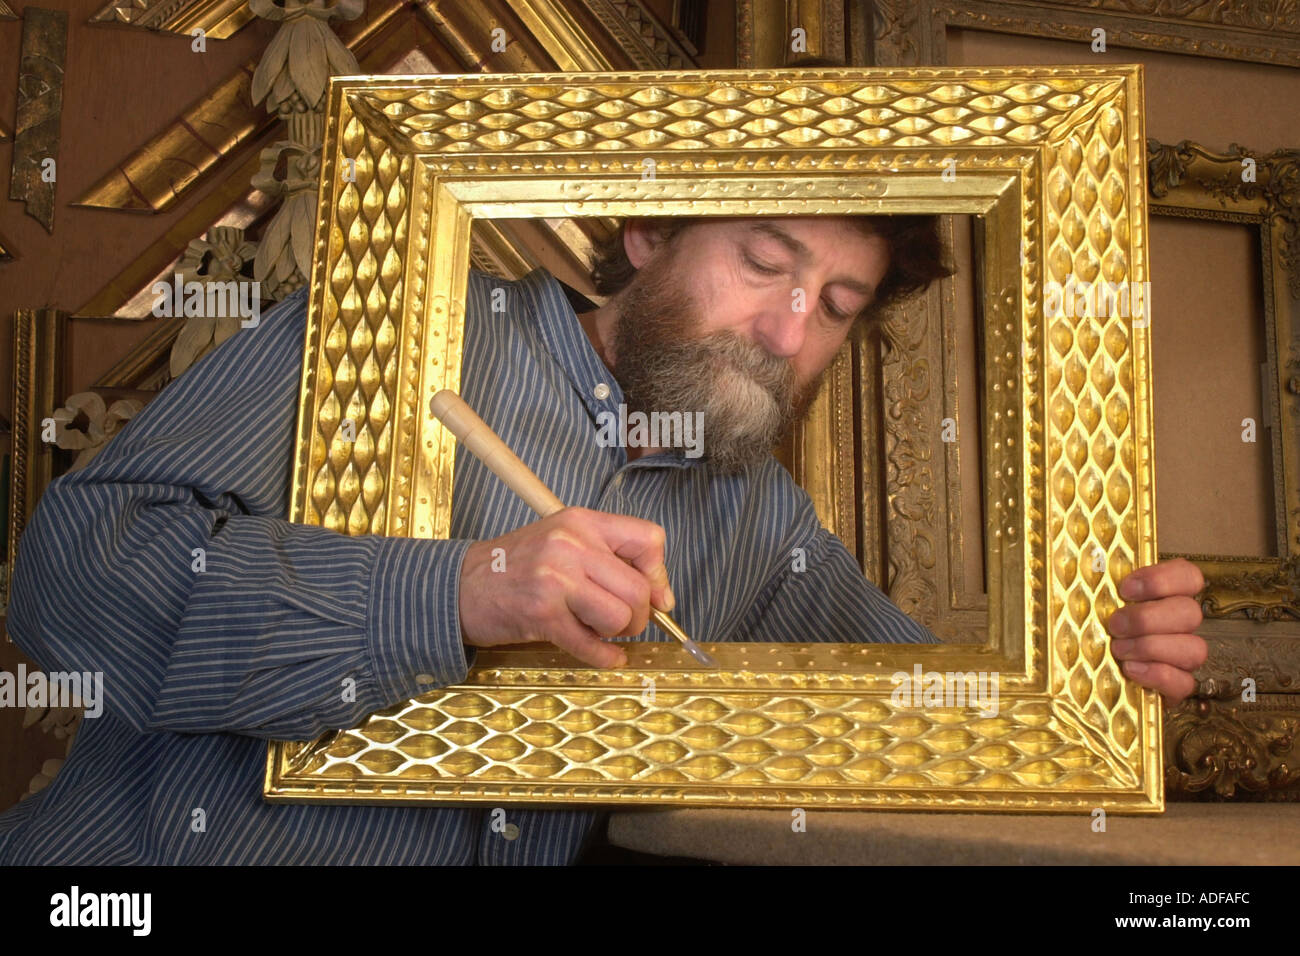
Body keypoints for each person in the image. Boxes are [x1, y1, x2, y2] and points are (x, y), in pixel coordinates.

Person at [0, 215, 1206, 864]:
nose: (789, 330)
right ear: (646, 236)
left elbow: (925, 714)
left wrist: (1090, 674)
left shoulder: (761, 515)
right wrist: (462, 589)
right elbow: (69, 580)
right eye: (763, 262)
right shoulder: (390, 337)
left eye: (834, 306)